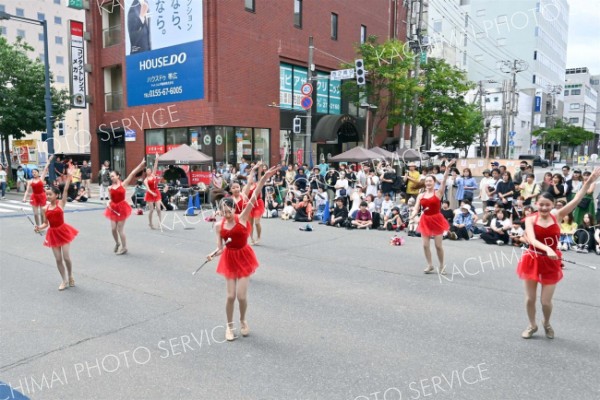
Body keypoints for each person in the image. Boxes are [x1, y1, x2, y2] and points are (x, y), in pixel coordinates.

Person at [516, 167, 600, 339]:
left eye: (548, 205)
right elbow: (531, 239)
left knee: (545, 301)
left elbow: (577, 199)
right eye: (541, 204)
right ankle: (532, 325)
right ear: (536, 204)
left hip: (551, 261)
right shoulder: (531, 219)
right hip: (532, 259)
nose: (544, 208)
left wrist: (589, 182)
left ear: (553, 205)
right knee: (530, 299)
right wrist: (547, 248)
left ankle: (546, 322)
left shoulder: (558, 215)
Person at [206, 166, 278, 341]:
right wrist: (213, 254)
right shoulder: (218, 226)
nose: (226, 215)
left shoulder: (243, 217)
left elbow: (254, 195)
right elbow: (221, 247)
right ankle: (229, 327)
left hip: (244, 256)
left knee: (241, 296)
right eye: (223, 213)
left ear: (233, 209)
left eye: (229, 212)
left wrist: (263, 179)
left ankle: (243, 319)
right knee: (230, 296)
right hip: (229, 258)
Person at [34, 167, 78, 291]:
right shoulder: (45, 209)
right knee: (58, 259)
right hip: (53, 233)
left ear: (56, 195)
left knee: (66, 257)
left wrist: (69, 176)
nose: (47, 196)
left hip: (63, 231)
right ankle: (64, 280)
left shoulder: (61, 203)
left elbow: (65, 190)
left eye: (50, 194)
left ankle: (70, 276)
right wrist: (39, 227)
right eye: (46, 194)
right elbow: (45, 224)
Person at [410, 159, 456, 275]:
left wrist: (448, 168)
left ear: (434, 182)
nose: (428, 183)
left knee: (438, 246)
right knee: (425, 245)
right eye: (427, 181)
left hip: (436, 219)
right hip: (425, 219)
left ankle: (441, 266)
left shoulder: (438, 193)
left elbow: (445, 179)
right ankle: (430, 265)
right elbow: (416, 207)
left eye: (430, 181)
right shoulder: (421, 195)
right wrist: (413, 214)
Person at [104, 159, 146, 255]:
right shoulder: (109, 188)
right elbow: (110, 199)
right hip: (113, 208)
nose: (112, 178)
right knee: (113, 229)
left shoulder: (124, 184)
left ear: (118, 176)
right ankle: (117, 243)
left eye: (113, 176)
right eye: (110, 176)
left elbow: (132, 173)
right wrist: (107, 203)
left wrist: (141, 164)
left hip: (122, 207)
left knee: (120, 229)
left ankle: (124, 247)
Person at [22, 156, 54, 226]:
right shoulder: (30, 181)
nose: (34, 173)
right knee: (36, 214)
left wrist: (49, 160)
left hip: (42, 196)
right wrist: (24, 198)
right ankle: (37, 226)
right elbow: (27, 191)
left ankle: (42, 226)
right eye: (33, 172)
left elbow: (45, 169)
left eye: (35, 172)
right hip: (34, 197)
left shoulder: (41, 178)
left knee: (42, 214)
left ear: (38, 173)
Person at [244, 163, 266, 244]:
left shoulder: (257, 184)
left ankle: (259, 237)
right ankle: (251, 238)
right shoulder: (245, 187)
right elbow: (244, 196)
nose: (250, 179)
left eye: (251, 178)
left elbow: (261, 179)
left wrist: (259, 168)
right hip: (250, 205)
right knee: (250, 223)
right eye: (248, 178)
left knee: (257, 222)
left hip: (258, 204)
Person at [144, 154, 162, 230]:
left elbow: (155, 166)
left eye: (149, 170)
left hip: (156, 192)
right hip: (150, 194)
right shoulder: (146, 180)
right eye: (147, 170)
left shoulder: (154, 175)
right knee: (151, 210)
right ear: (146, 172)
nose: (149, 171)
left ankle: (160, 222)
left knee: (158, 208)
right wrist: (152, 193)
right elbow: (147, 189)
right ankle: (150, 223)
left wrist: (157, 158)